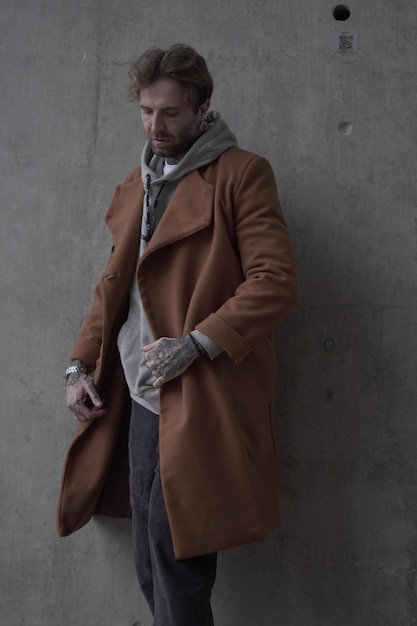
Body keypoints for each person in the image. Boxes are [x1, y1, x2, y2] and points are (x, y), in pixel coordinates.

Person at [57, 43, 298, 626]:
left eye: (169, 113)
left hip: (201, 390)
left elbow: (276, 281)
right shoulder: (138, 181)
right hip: (139, 394)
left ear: (202, 108)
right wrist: (78, 367)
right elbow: (112, 286)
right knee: (149, 553)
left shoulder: (241, 174)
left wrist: (195, 344)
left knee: (177, 557)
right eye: (146, 111)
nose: (155, 125)